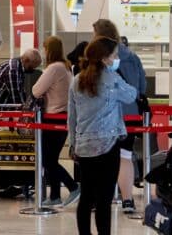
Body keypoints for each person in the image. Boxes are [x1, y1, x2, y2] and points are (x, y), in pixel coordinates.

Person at [68, 36, 137, 235]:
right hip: (108, 146)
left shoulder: (77, 80)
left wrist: (73, 144)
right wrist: (120, 75)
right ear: (105, 58)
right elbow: (131, 94)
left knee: (86, 197)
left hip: (84, 146)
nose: (116, 59)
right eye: (114, 55)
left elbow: (72, 118)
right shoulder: (112, 79)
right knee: (104, 200)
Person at [93, 19, 147, 213]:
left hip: (107, 115)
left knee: (103, 157)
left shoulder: (102, 57)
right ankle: (127, 200)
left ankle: (103, 199)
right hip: (131, 114)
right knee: (125, 155)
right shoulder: (132, 56)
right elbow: (142, 88)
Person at [32, 36, 80, 207]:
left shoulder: (54, 68)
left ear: (50, 50)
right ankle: (54, 197)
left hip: (53, 117)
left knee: (48, 160)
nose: (43, 52)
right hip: (63, 118)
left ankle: (73, 187)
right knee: (51, 158)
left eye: (45, 48)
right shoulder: (66, 67)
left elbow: (36, 90)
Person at [0, 49, 42, 113]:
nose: (33, 70)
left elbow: (21, 93)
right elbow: (16, 97)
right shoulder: (12, 70)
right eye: (32, 67)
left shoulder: (18, 68)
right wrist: (28, 110)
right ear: (26, 61)